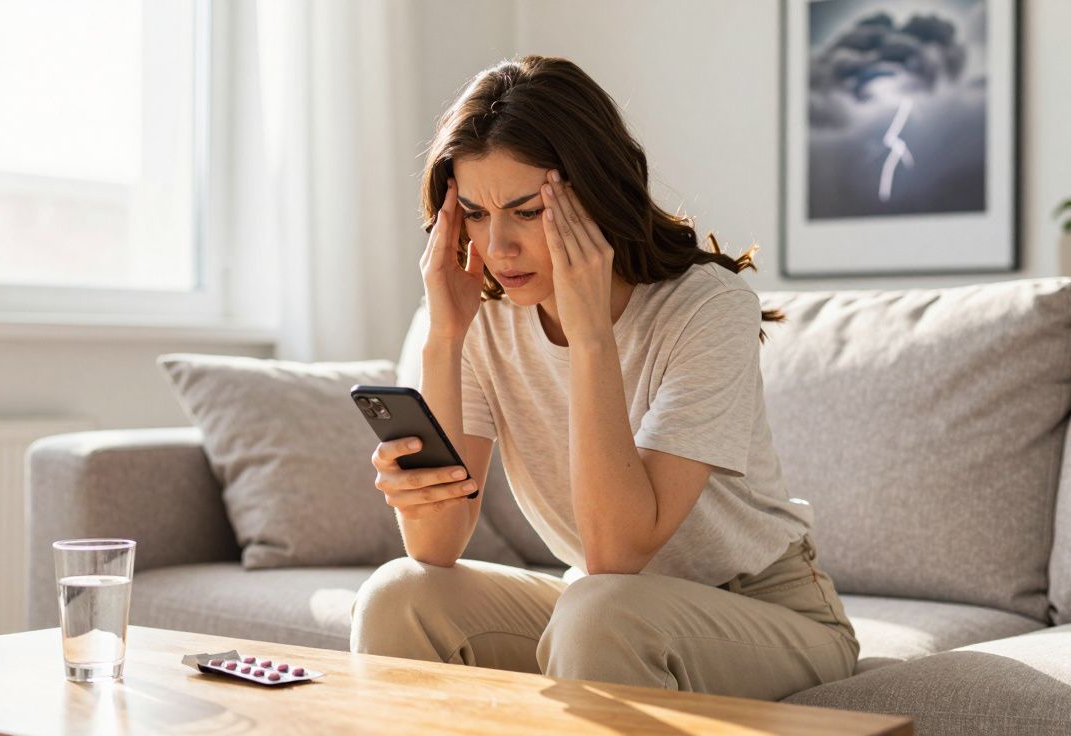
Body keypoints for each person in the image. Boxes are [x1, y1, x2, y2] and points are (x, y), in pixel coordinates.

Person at [350, 54, 859, 699]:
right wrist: (443, 340)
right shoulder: (480, 314)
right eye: (476, 214)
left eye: (527, 212)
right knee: (400, 596)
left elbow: (618, 553)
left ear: (593, 191)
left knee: (598, 611)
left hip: (767, 610)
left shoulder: (706, 306)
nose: (498, 247)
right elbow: (435, 544)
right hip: (606, 609)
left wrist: (591, 335)